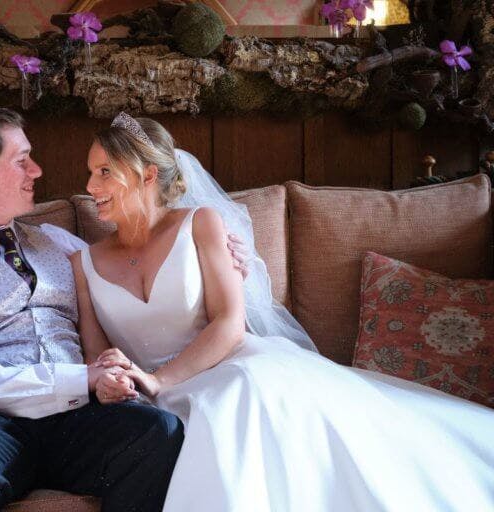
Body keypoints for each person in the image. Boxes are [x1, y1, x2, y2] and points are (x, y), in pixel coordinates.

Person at [71, 112, 494, 512]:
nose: (90, 186)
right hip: (146, 393)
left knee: (238, 396)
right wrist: (121, 381)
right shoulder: (83, 262)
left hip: (225, 366)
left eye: (104, 171)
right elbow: (96, 355)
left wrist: (161, 379)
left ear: (147, 175)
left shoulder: (200, 224)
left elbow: (229, 323)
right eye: (90, 172)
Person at [0, 107, 187, 512]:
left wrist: (205, 252)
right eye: (22, 160)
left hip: (76, 419)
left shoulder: (56, 242)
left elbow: (139, 274)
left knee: (157, 431)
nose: (37, 170)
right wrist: (80, 378)